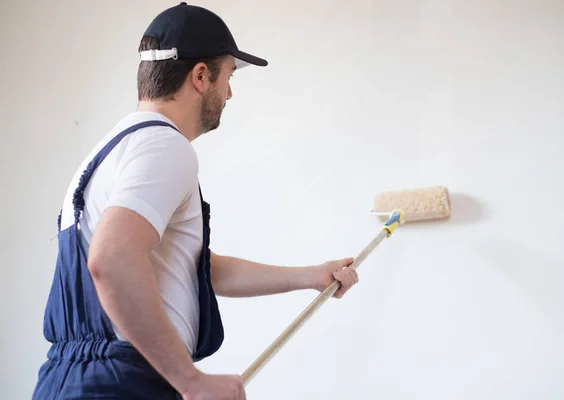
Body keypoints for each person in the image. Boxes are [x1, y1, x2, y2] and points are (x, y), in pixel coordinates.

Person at [32, 2, 358, 399]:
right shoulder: (165, 147)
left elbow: (189, 266)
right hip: (123, 382)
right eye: (229, 75)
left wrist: (309, 275)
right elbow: (113, 258)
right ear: (201, 76)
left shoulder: (113, 151)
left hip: (68, 380)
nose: (230, 93)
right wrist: (191, 382)